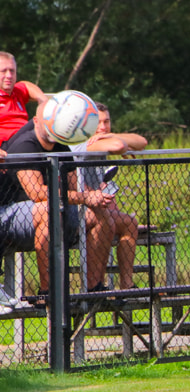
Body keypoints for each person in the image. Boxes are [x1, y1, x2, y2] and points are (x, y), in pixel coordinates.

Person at [1, 103, 114, 302]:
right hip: (13, 214)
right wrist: (84, 197)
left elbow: (74, 189)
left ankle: (94, 289)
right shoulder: (25, 145)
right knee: (47, 209)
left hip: (56, 211)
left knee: (99, 214)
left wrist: (93, 196)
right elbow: (37, 193)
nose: (54, 126)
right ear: (36, 121)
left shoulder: (62, 146)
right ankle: (48, 292)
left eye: (57, 121)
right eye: (49, 122)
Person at [71, 102, 146, 291]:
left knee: (130, 223)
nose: (103, 127)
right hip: (78, 210)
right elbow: (118, 145)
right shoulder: (80, 141)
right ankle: (94, 286)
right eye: (98, 123)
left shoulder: (104, 141)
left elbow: (142, 142)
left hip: (100, 208)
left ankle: (126, 285)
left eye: (107, 122)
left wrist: (112, 137)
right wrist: (118, 144)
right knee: (105, 221)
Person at [0, 51, 45, 147]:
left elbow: (26, 85)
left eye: (12, 71)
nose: (9, 75)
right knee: (40, 123)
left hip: (25, 141)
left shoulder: (16, 91)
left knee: (55, 133)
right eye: (3, 71)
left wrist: (43, 101)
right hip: (6, 147)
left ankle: (75, 161)